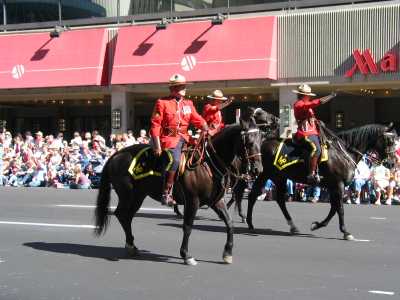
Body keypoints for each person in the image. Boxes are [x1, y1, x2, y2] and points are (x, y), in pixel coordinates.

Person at [150, 74, 208, 206]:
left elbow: (197, 118)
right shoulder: (162, 102)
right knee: (175, 160)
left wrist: (205, 126)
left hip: (186, 138)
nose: (185, 89)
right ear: (174, 88)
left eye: (185, 86)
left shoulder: (188, 103)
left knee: (203, 154)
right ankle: (167, 193)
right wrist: (157, 145)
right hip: (169, 139)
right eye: (182, 87)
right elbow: (156, 124)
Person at [293, 84, 336, 184]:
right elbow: (313, 104)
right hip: (305, 133)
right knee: (316, 149)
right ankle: (311, 173)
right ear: (303, 95)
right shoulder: (298, 104)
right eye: (307, 94)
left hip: (314, 131)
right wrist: (329, 96)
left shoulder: (306, 103)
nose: (309, 96)